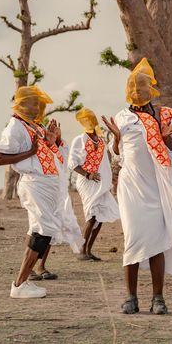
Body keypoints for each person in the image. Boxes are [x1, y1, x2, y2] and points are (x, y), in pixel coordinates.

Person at [102, 58, 172, 314]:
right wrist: (117, 139)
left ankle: (158, 298)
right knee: (132, 239)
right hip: (132, 188)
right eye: (134, 87)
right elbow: (117, 153)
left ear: (150, 90)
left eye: (142, 87)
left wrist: (165, 138)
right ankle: (131, 297)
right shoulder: (122, 116)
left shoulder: (166, 114)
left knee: (158, 242)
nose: (138, 91)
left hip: (161, 186)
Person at [0, 86, 60, 299]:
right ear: (22, 104)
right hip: (34, 185)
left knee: (38, 230)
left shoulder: (32, 125)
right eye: (34, 103)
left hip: (44, 185)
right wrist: (30, 152)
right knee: (43, 232)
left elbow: (41, 155)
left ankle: (24, 282)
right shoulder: (14, 126)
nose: (38, 106)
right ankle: (19, 284)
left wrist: (50, 143)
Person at [30, 119, 84, 281]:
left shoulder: (41, 130)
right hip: (37, 187)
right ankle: (29, 268)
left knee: (52, 227)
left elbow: (59, 159)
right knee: (36, 227)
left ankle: (40, 267)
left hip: (55, 188)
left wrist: (56, 140)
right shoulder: (25, 129)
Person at [69, 108, 120, 261]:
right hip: (86, 182)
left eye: (91, 118)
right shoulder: (79, 140)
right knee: (91, 216)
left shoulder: (101, 141)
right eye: (86, 119)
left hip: (100, 182)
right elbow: (72, 163)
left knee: (101, 217)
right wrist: (87, 174)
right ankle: (82, 252)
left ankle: (89, 251)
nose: (89, 121)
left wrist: (109, 177)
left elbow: (104, 162)